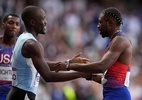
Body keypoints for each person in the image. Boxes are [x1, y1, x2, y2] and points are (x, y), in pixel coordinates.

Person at [6, 6, 92, 100]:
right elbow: (48, 76)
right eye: (43, 19)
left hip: (17, 94)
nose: (46, 22)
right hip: (23, 95)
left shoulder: (23, 38)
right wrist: (80, 74)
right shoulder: (32, 44)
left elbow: (41, 65)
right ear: (32, 22)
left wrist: (69, 62)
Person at [55, 7, 132, 100]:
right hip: (113, 95)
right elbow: (110, 80)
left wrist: (69, 66)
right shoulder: (114, 42)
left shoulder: (120, 40)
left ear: (110, 23)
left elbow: (101, 67)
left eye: (100, 22)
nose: (98, 26)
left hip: (118, 96)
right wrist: (91, 76)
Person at [0, 14, 20, 100]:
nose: (14, 26)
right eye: (10, 23)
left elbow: (39, 64)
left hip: (15, 94)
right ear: (3, 25)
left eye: (17, 24)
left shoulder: (24, 46)